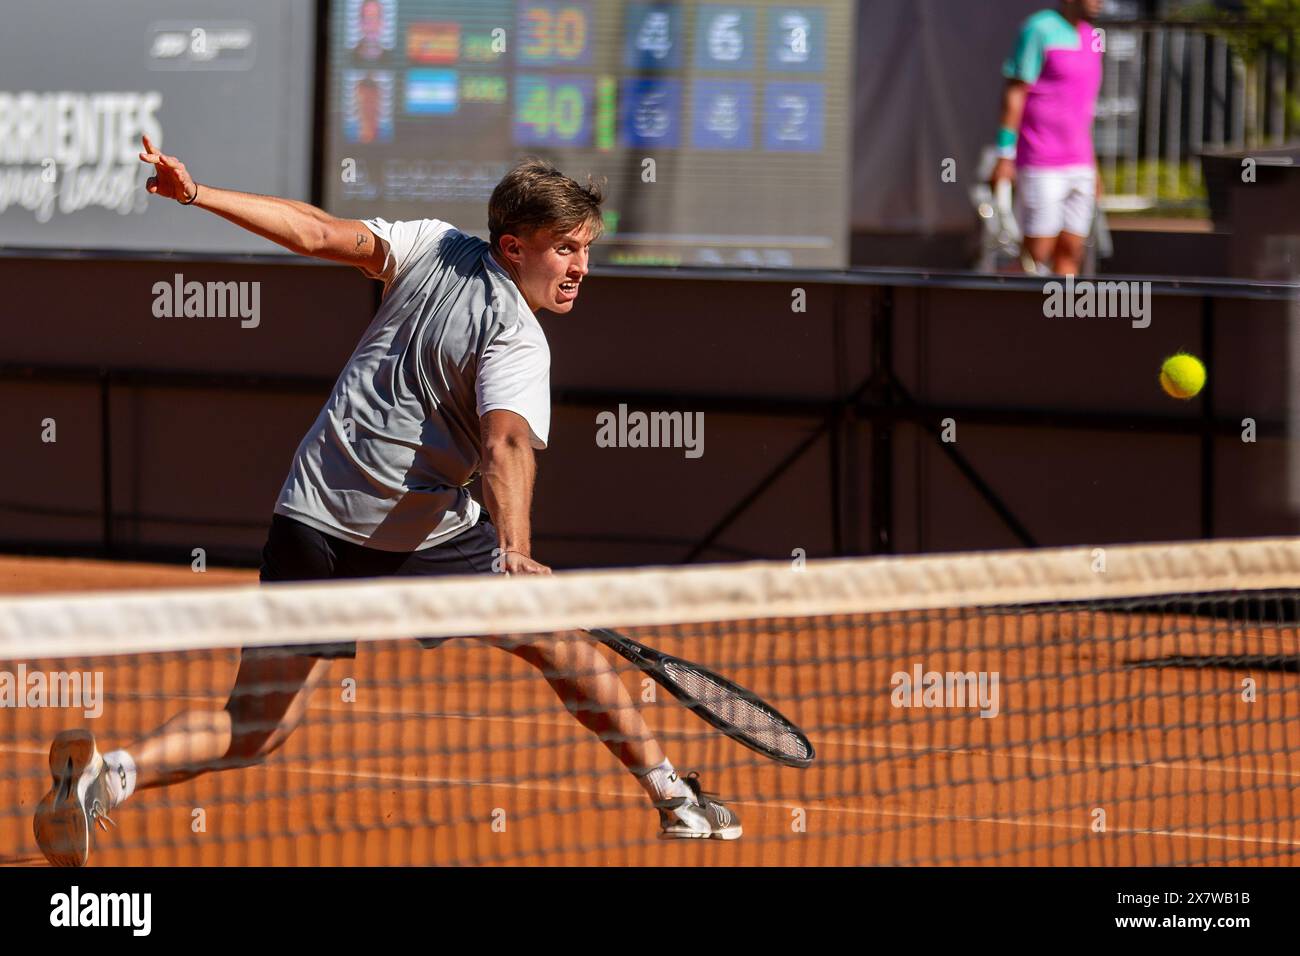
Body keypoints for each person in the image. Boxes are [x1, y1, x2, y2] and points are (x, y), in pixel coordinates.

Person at [33, 139, 741, 867]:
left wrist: (197, 193)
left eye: (585, 250)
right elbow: (504, 445)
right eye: (563, 250)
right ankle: (676, 799)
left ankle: (105, 777)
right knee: (559, 642)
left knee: (252, 727)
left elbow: (314, 232)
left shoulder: (432, 244)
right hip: (411, 528)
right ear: (512, 246)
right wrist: (516, 553)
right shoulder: (519, 338)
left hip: (310, 509)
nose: (579, 268)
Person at [990, 0, 1104, 276]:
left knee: (1071, 251)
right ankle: (989, 303)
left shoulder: (1096, 38)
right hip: (1041, 160)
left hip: (1080, 164)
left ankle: (1061, 316)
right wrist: (1004, 155)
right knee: (1036, 255)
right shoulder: (1037, 29)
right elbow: (1015, 94)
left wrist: (1093, 166)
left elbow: (1083, 108)